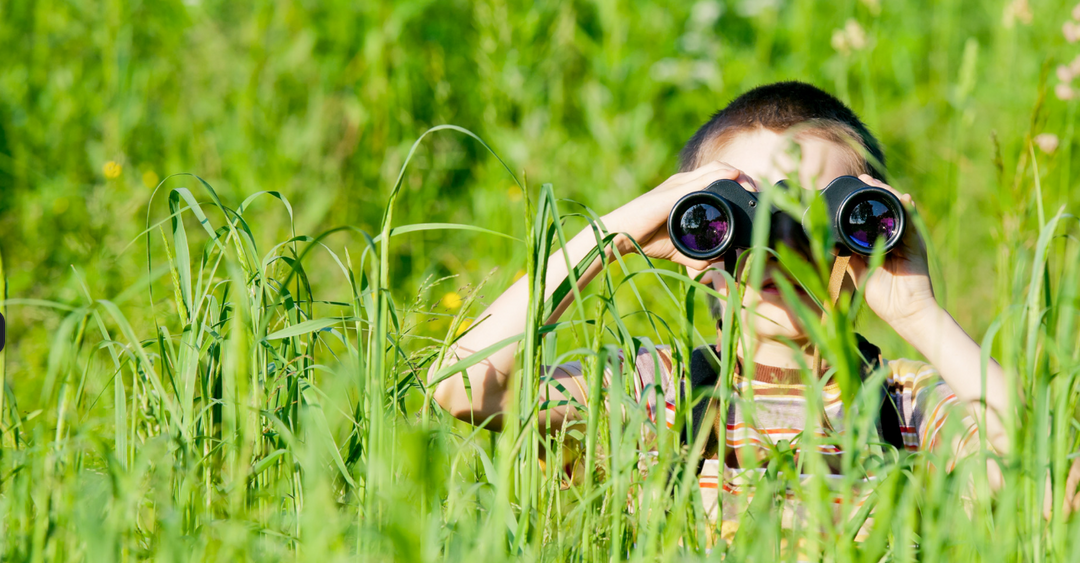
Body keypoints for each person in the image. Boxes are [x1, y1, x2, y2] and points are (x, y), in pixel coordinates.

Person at [429, 81, 1080, 546]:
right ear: (694, 241)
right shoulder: (658, 396)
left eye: (822, 214)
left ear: (869, 230)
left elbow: (1052, 482)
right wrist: (622, 230)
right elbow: (460, 386)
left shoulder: (902, 404)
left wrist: (917, 310)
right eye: (740, 213)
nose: (781, 244)